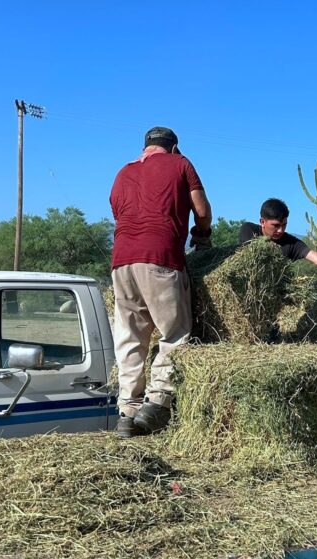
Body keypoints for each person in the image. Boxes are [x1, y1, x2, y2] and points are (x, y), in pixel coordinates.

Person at [110, 126, 212, 438]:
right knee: (175, 333)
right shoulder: (180, 163)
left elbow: (118, 212)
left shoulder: (123, 172)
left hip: (121, 261)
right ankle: (157, 402)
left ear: (145, 148)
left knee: (130, 337)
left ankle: (127, 411)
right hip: (161, 257)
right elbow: (202, 210)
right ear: (174, 147)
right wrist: (202, 235)